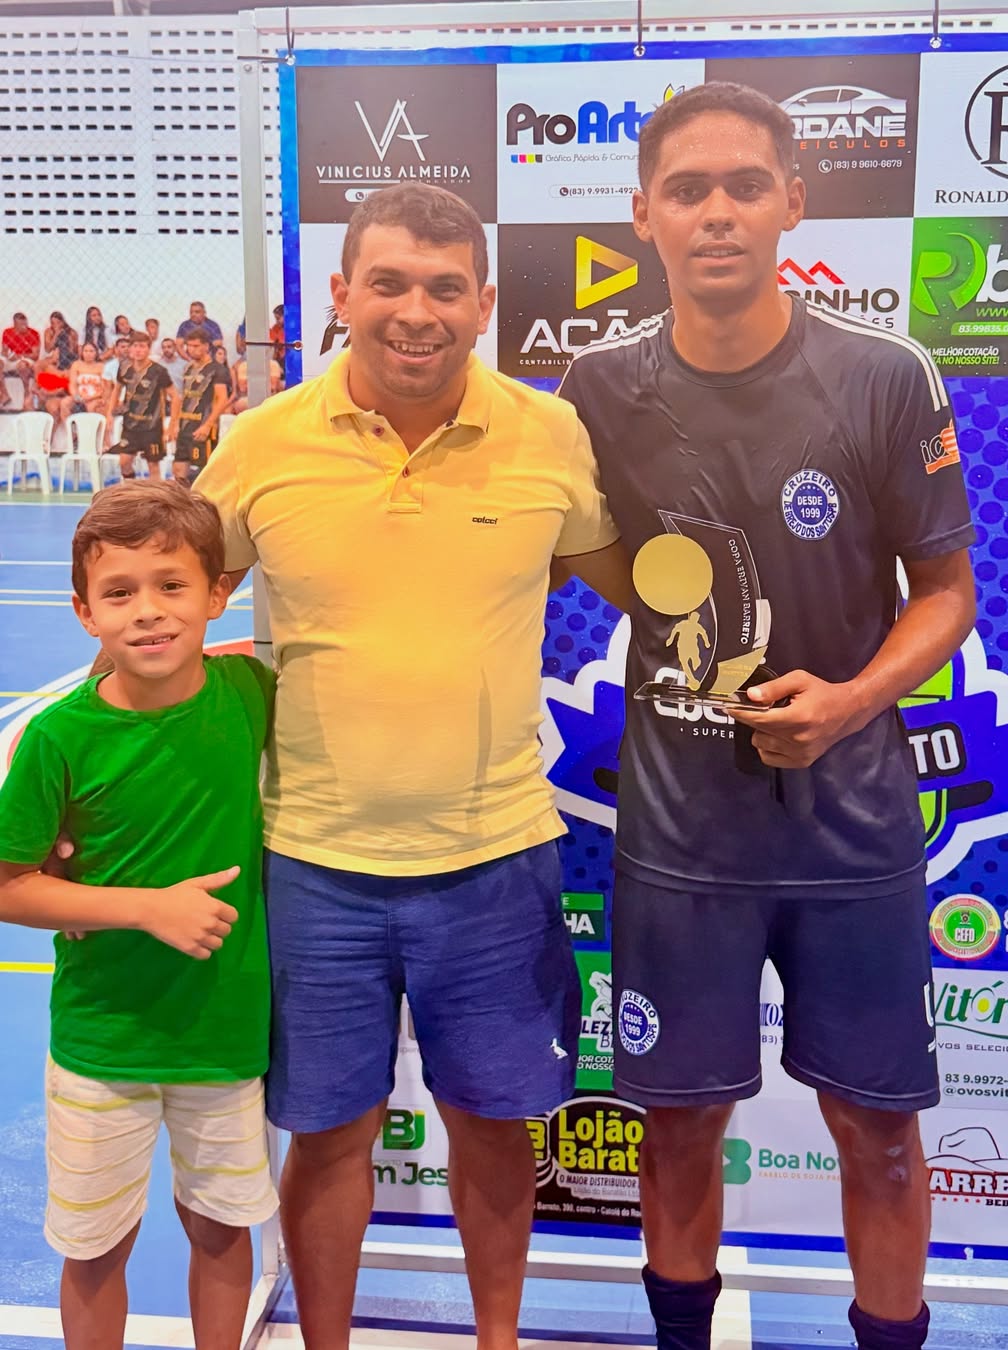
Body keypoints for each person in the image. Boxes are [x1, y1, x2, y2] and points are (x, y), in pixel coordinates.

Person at [558, 82, 976, 1350]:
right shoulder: (595, 387)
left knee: (880, 1133)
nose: (719, 213)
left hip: (854, 831)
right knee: (680, 1127)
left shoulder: (885, 374)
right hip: (681, 839)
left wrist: (849, 701)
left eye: (746, 185)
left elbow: (947, 595)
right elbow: (570, 546)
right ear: (644, 215)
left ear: (794, 200)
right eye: (688, 190)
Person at [195, 181, 632, 1350]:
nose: (416, 312)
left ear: (484, 302)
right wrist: (93, 778)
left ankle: (498, 1344)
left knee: (493, 1128)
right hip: (312, 867)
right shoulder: (259, 445)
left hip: (495, 860)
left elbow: (627, 576)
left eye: (445, 287)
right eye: (387, 283)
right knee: (329, 1133)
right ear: (342, 293)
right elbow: (171, 611)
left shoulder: (549, 434)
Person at [0, 482, 278, 1350]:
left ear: (218, 595)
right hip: (104, 1042)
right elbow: (9, 884)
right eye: (119, 593)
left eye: (172, 585)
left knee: (221, 1229)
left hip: (224, 1033)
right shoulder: (59, 738)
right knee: (94, 1249)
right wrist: (145, 909)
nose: (149, 611)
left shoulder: (251, 693)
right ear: (85, 613)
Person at [104, 331, 177, 482]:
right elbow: (116, 390)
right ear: (130, 348)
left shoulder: (159, 371)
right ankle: (131, 490)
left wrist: (171, 427)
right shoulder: (124, 368)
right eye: (135, 346)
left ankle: (155, 495)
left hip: (152, 426)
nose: (138, 350)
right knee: (124, 462)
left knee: (153, 465)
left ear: (149, 349)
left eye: (142, 346)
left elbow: (176, 397)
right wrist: (110, 413)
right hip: (130, 425)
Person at [168, 327, 230, 486]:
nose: (191, 349)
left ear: (206, 346)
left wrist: (208, 425)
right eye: (189, 346)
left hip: (202, 425)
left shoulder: (217, 369)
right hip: (185, 425)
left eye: (196, 346)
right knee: (178, 469)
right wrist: (175, 424)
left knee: (203, 473)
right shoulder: (188, 368)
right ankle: (182, 500)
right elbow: (182, 397)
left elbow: (222, 399)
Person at [2, 311, 41, 409]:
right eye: (21, 325)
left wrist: (20, 356)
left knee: (23, 365)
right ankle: (4, 394)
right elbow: (4, 351)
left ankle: (26, 392)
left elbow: (35, 355)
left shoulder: (33, 333)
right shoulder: (7, 332)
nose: (24, 327)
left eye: (25, 324)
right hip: (11, 358)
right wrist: (9, 355)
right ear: (15, 324)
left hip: (25, 358)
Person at [66, 341, 109, 416]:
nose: (88, 354)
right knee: (65, 403)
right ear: (82, 352)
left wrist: (91, 398)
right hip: (79, 396)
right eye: (85, 351)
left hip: (95, 397)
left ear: (96, 353)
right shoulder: (76, 364)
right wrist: (77, 397)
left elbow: (104, 387)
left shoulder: (102, 366)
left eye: (91, 351)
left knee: (90, 407)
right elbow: (72, 385)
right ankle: (68, 423)